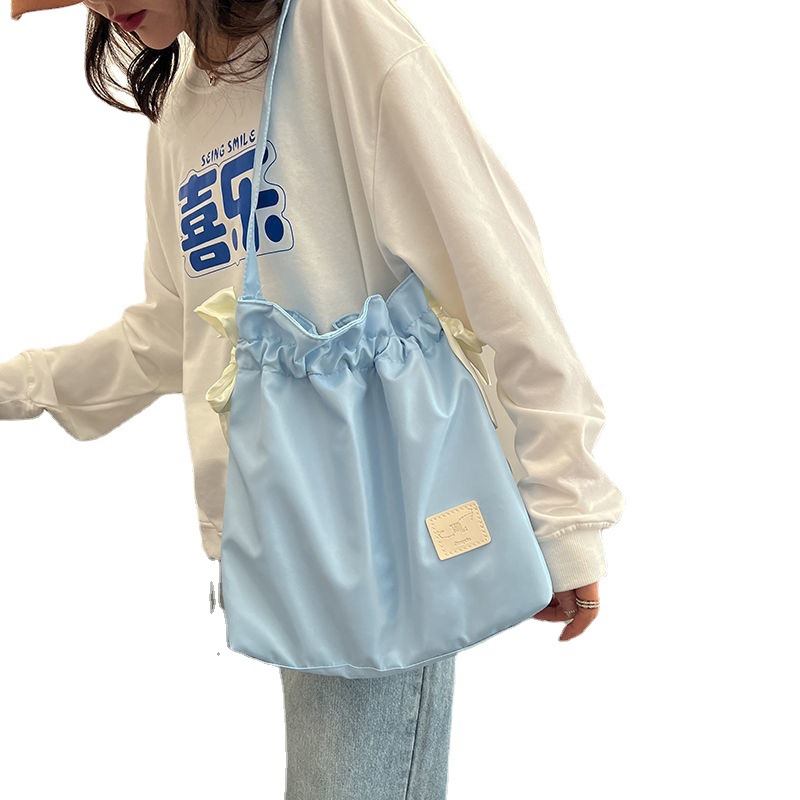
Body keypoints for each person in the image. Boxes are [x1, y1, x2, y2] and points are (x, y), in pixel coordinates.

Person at [2, 0, 625, 797]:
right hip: (278, 532)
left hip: (380, 523)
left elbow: (491, 262)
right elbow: (172, 332)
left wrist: (565, 512)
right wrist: (18, 385)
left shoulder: (337, 27)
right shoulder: (183, 106)